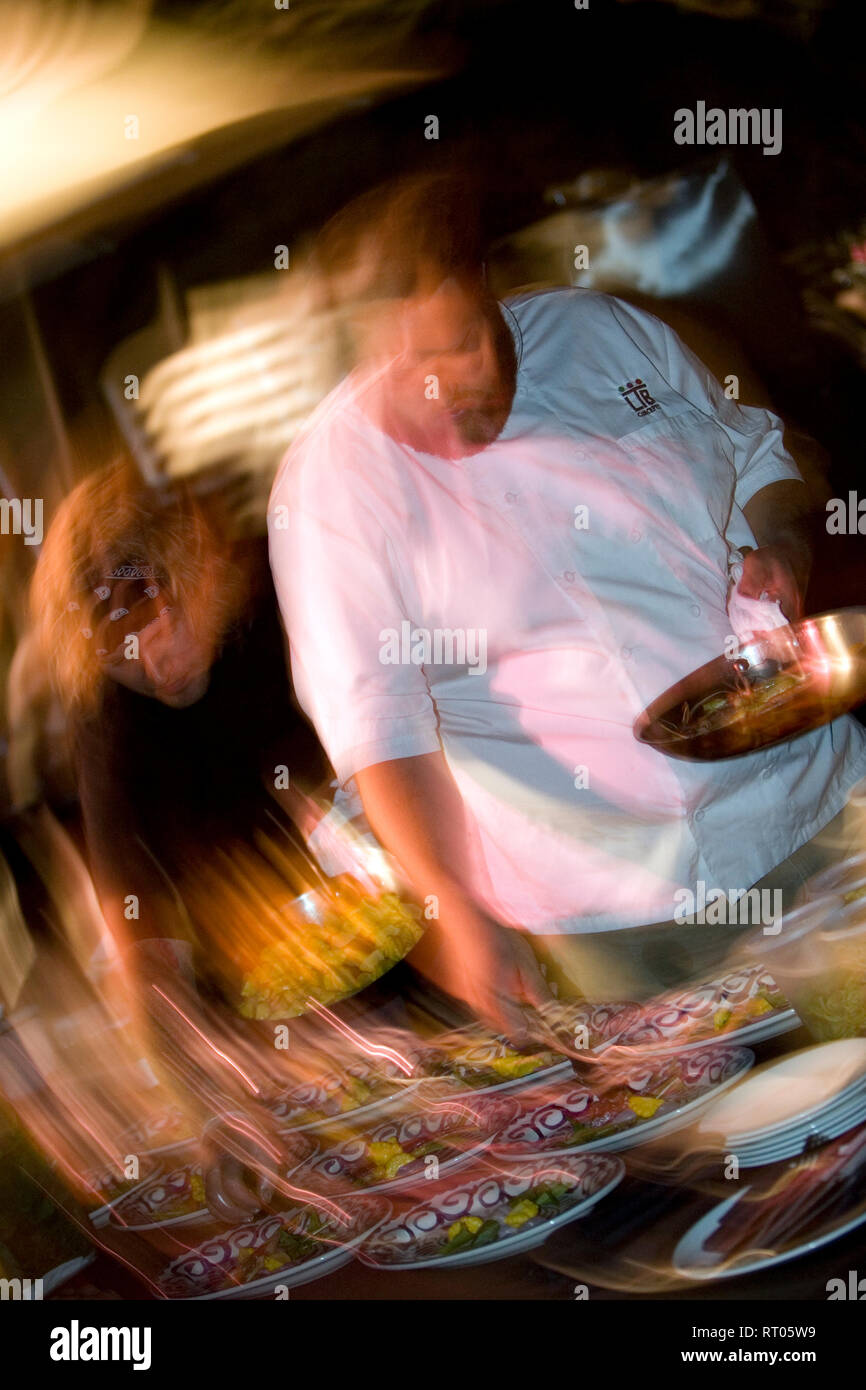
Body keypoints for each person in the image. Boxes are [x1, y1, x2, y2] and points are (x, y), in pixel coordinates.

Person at [269, 172, 866, 1041]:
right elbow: (382, 730)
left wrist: (785, 542)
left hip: (813, 798)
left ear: (489, 288)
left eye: (465, 340)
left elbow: (757, 454)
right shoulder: (331, 489)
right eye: (413, 364)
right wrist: (454, 911)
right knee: (743, 1140)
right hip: (618, 915)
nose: (453, 383)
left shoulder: (606, 336)